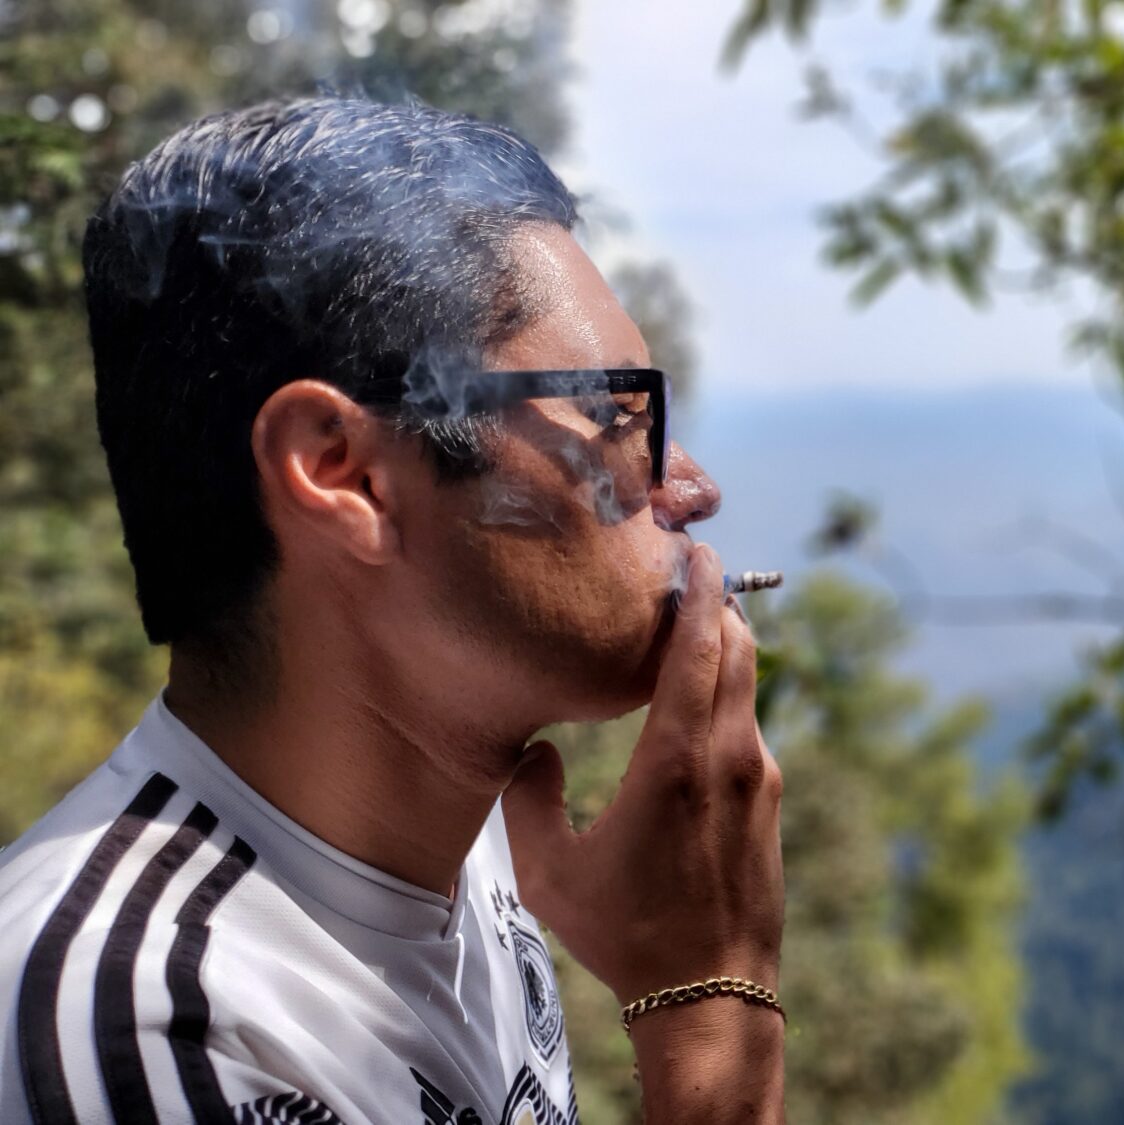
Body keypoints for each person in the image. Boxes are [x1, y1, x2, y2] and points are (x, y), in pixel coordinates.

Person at [0, 98, 785, 1124]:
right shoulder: (149, 1025)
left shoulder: (461, 840)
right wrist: (712, 1001)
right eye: (612, 413)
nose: (691, 489)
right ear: (347, 473)